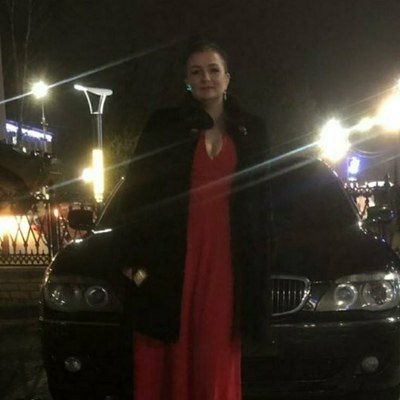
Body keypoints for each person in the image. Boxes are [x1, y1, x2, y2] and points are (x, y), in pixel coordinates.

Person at [119, 39, 271, 400]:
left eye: (214, 70)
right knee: (165, 357)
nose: (206, 78)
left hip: (225, 264)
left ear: (228, 77)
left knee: (214, 360)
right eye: (196, 72)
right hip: (170, 262)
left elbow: (262, 202)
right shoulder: (164, 125)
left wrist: (261, 262)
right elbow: (136, 193)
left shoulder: (252, 130)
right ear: (186, 81)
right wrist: (132, 263)